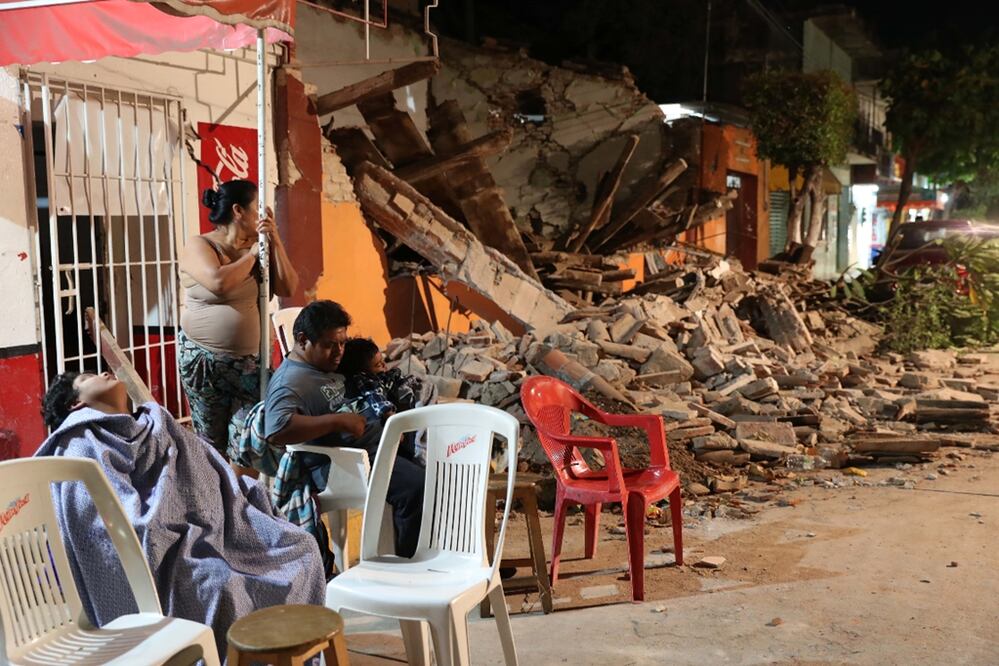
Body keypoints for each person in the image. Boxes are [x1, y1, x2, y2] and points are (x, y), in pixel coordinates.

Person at [38, 371, 325, 658]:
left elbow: (207, 470)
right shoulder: (80, 444)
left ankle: (291, 658)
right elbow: (101, 529)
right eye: (88, 377)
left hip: (217, 528)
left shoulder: (155, 421)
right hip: (165, 557)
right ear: (75, 405)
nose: (103, 371)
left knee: (302, 547)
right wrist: (173, 519)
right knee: (220, 584)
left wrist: (226, 497)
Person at [264, 301, 425, 558]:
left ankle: (452, 552)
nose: (339, 352)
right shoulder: (291, 382)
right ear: (303, 340)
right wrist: (337, 421)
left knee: (443, 469)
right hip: (345, 464)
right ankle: (411, 566)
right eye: (330, 345)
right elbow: (277, 429)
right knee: (417, 487)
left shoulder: (322, 364)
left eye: (343, 343)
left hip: (376, 446)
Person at [178, 179, 299, 459]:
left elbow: (289, 288)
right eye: (257, 209)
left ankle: (239, 498)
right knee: (211, 443)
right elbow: (218, 282)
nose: (262, 216)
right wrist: (253, 255)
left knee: (250, 439)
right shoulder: (201, 244)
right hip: (205, 363)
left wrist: (276, 240)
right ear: (238, 211)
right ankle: (216, 498)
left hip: (249, 363)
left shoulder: (262, 245)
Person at [338, 337, 437, 461]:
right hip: (399, 428)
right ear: (363, 372)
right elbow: (377, 399)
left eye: (383, 361)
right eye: (378, 365)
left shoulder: (381, 376)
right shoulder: (366, 383)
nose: (384, 366)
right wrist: (395, 427)